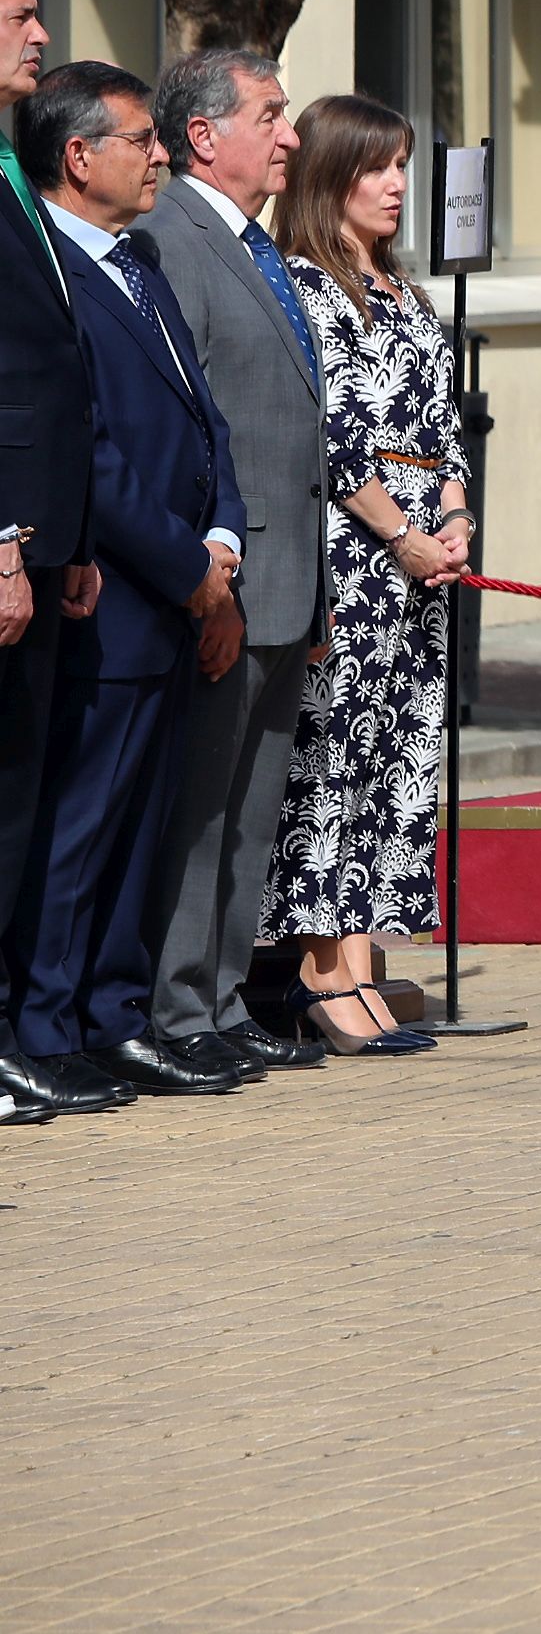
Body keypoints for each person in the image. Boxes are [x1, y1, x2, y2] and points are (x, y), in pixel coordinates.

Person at [3, 64, 248, 1102]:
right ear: (78, 155)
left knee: (140, 820)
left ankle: (112, 1011)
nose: (161, 156)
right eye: (143, 139)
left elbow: (204, 415)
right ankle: (47, 1022)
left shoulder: (139, 259)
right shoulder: (46, 265)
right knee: (79, 822)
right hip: (120, 588)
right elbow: (91, 449)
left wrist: (225, 534)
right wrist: (190, 569)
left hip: (184, 586)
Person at [257, 93, 471, 1065]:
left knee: (396, 764)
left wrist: (456, 514)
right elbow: (334, 432)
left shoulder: (403, 288)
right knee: (334, 764)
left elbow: (442, 422)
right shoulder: (305, 284)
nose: (395, 185)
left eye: (401, 166)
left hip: (422, 565)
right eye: (376, 167)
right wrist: (400, 533)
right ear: (329, 176)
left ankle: (362, 953)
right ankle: (317, 966)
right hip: (356, 557)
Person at [134, 49, 334, 1086]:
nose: (290, 134)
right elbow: (188, 436)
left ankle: (220, 996)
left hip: (289, 583)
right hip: (224, 586)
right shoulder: (169, 243)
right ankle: (177, 1007)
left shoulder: (256, 246)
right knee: (202, 809)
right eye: (271, 114)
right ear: (204, 134)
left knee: (254, 808)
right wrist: (205, 576)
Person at [0, 0, 104, 1124]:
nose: (43, 36)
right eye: (22, 18)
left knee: (23, 799)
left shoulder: (16, 174)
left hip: (44, 544)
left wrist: (64, 537)